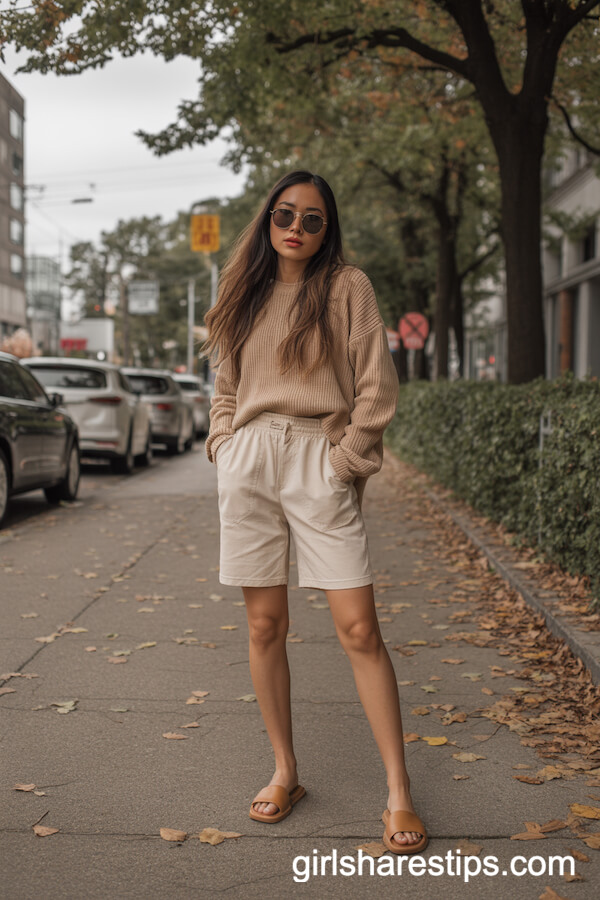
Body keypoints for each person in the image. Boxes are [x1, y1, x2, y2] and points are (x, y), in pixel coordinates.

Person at [204, 171, 427, 855]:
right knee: (265, 624)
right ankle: (285, 771)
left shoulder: (346, 287)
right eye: (284, 214)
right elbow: (225, 382)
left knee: (359, 629)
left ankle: (398, 792)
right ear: (266, 219)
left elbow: (375, 387)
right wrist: (223, 443)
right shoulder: (238, 288)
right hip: (250, 464)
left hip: (316, 459)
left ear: (329, 230)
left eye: (313, 219)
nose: (296, 227)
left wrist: (342, 462)